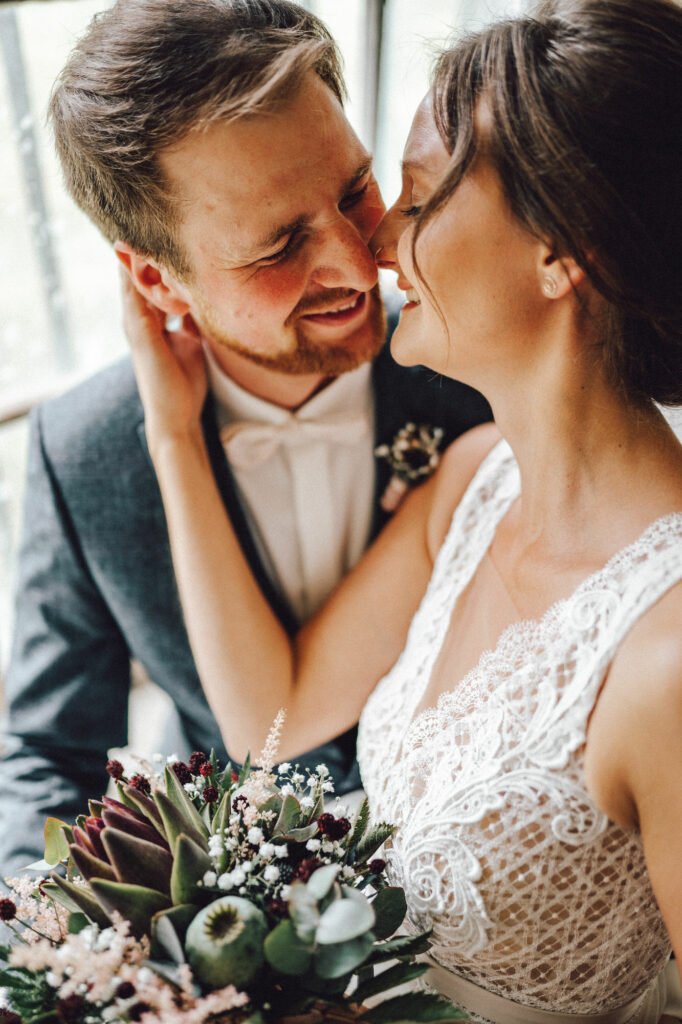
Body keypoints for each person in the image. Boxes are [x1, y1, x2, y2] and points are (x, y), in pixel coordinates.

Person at [122, 0, 682, 1020]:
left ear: (565, 253)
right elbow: (270, 718)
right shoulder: (473, 482)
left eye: (413, 199)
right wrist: (173, 434)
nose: (373, 241)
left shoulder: (669, 658)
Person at [0, 0, 491, 879]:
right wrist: (64, 957)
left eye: (352, 192)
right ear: (157, 279)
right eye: (278, 246)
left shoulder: (481, 369)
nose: (357, 259)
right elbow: (50, 754)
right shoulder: (83, 451)